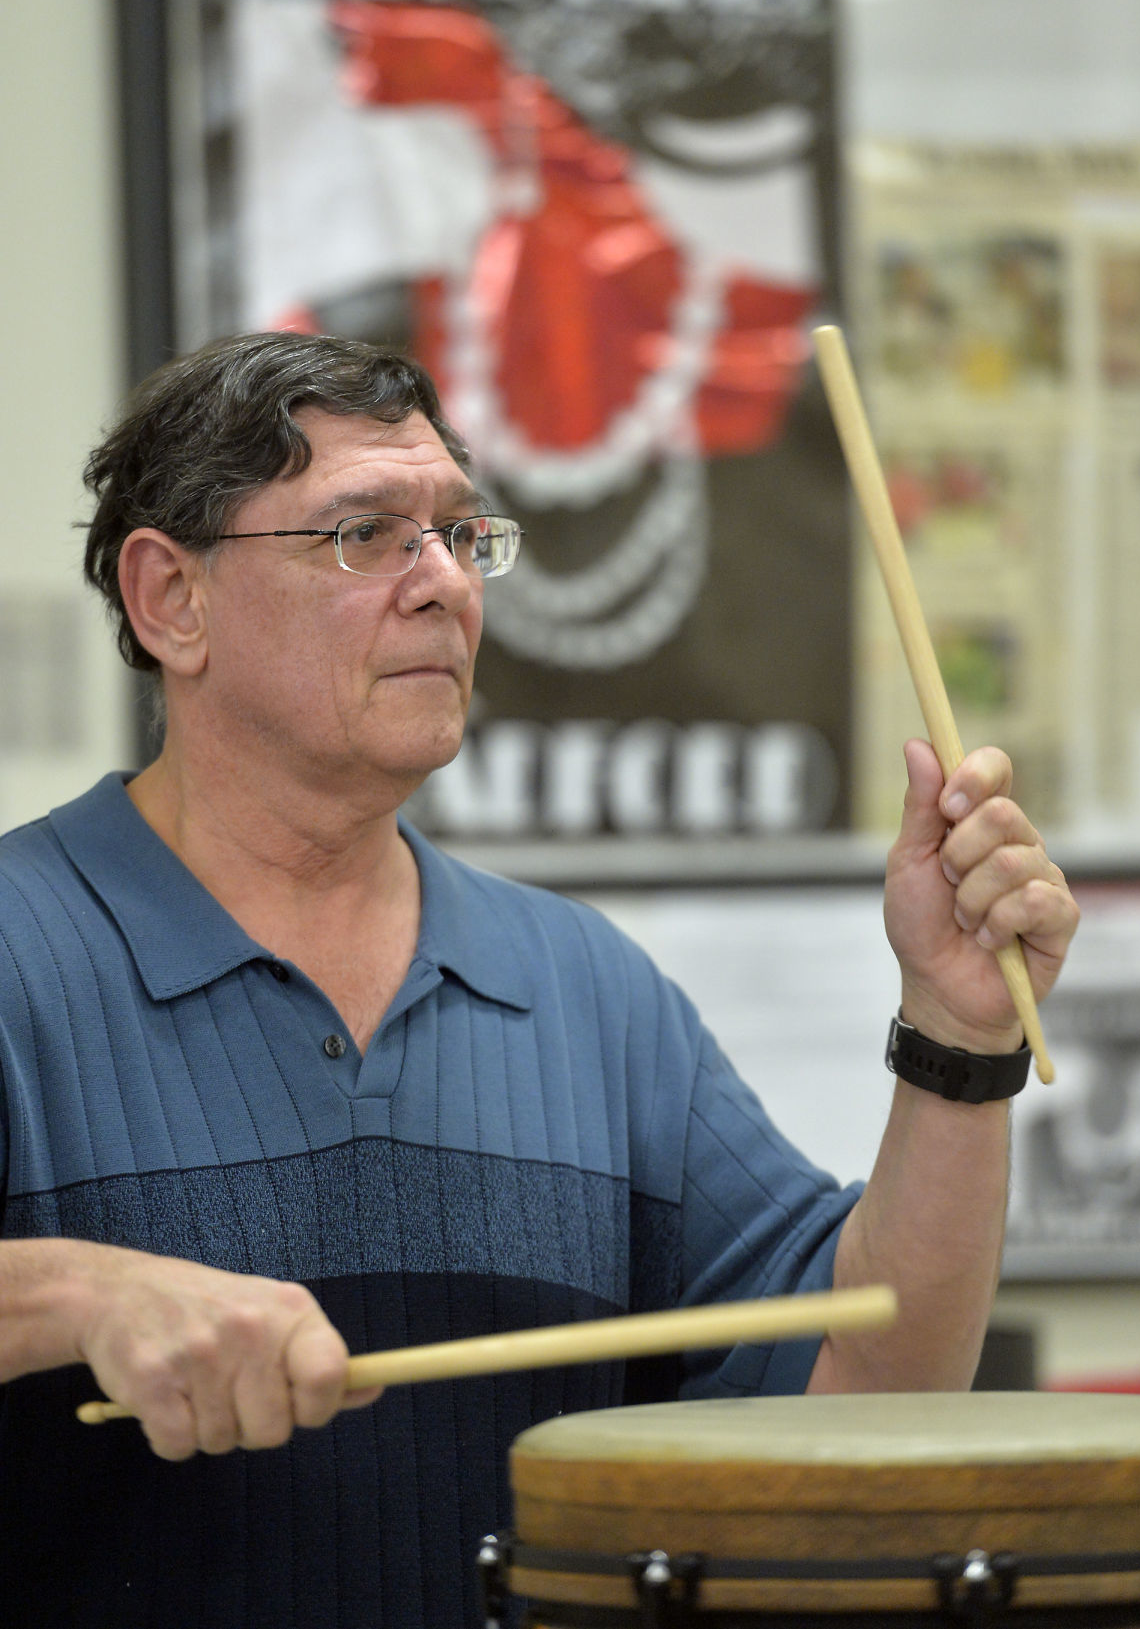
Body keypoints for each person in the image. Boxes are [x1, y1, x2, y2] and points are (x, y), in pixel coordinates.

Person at [0, 331, 1077, 1627]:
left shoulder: (585, 991)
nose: (444, 581)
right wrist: (81, 1290)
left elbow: (873, 1370)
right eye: (364, 533)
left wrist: (957, 1040)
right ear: (173, 596)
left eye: (464, 533)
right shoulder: (23, 945)